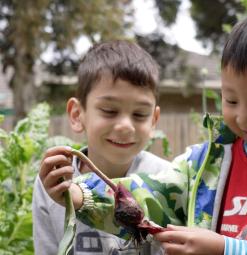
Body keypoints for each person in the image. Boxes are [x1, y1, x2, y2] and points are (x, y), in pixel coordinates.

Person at [39, 1, 247, 255]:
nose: (243, 116)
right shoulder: (205, 164)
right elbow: (150, 194)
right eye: (230, 99)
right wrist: (83, 197)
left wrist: (229, 250)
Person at [33, 40, 172, 255]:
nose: (126, 126)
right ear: (77, 114)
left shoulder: (167, 178)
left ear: (153, 120)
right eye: (109, 110)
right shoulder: (55, 182)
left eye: (140, 114)